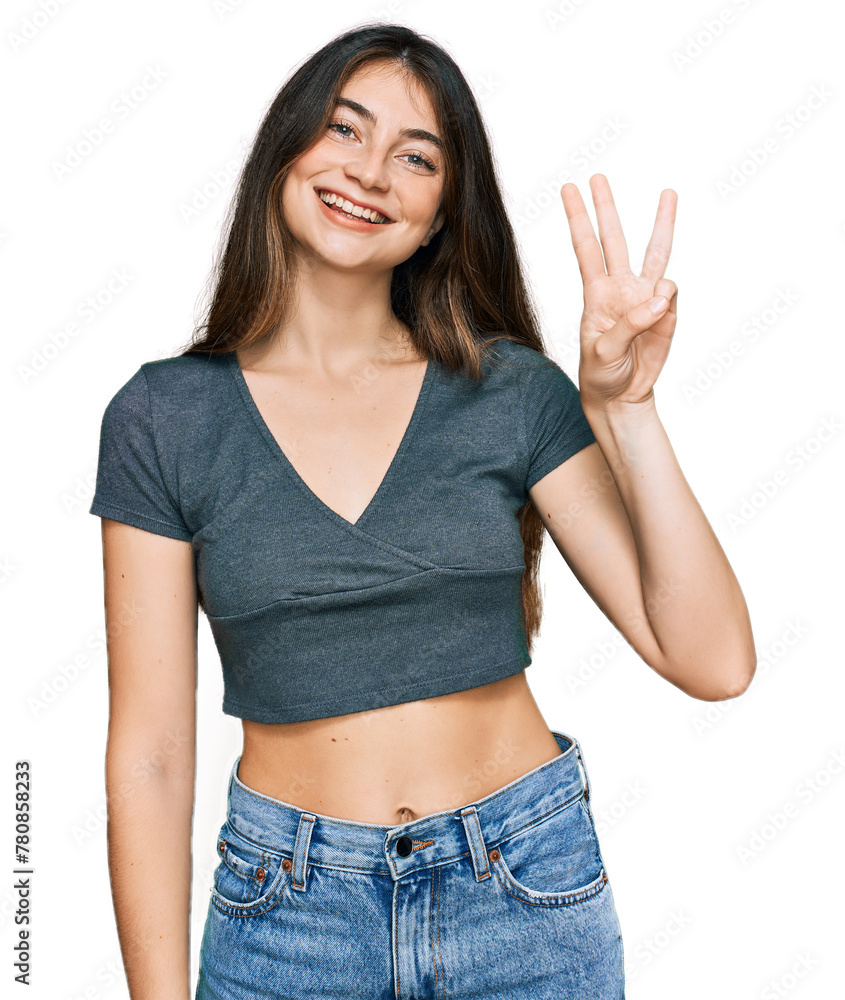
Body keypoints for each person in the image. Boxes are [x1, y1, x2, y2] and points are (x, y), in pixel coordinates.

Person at [89, 22, 756, 1000]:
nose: (370, 172)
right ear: (286, 148)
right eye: (344, 130)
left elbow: (713, 659)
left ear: (443, 212)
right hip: (288, 921)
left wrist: (623, 406)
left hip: (521, 893)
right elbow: (148, 754)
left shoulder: (509, 392)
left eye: (415, 157)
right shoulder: (165, 418)